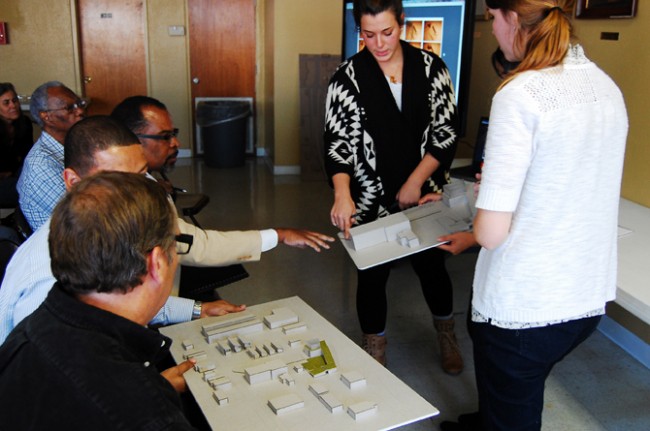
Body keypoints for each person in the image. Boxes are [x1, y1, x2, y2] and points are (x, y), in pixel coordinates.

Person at [444, 1, 628, 429]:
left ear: (512, 17)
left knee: (515, 396)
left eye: (492, 19)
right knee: (517, 386)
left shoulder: (521, 93)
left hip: (527, 306)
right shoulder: (605, 86)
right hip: (584, 295)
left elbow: (491, 233)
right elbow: (562, 189)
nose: (491, 31)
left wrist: (479, 220)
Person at [0, 116, 244, 343]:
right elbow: (53, 378)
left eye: (141, 176)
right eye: (118, 180)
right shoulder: (49, 277)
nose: (139, 193)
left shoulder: (97, 233)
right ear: (74, 183)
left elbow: (119, 301)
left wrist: (196, 309)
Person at [324, 0, 463, 374]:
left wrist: (415, 182)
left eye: (387, 32)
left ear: (402, 22)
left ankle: (446, 333)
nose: (379, 43)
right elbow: (337, 144)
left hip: (424, 194)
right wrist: (342, 192)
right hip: (368, 195)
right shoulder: (347, 77)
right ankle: (375, 346)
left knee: (433, 268)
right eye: (368, 35)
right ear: (359, 31)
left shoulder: (432, 68)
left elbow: (446, 133)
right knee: (371, 274)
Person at [0, 172, 198, 430]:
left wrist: (155, 385)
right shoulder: (147, 416)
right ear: (156, 263)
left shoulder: (33, 328)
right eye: (176, 243)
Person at [112, 95, 334, 256]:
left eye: (174, 134)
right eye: (165, 136)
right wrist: (279, 235)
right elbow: (199, 246)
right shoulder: (125, 197)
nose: (175, 143)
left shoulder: (147, 183)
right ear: (132, 140)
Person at [17, 81, 86, 230]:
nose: (80, 111)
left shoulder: (73, 147)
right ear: (47, 117)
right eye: (69, 108)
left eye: (79, 104)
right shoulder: (41, 165)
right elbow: (82, 218)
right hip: (66, 246)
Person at [0, 83, 34, 208]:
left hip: (18, 175)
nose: (13, 106)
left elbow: (28, 156)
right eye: (6, 103)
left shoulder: (24, 123)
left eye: (15, 100)